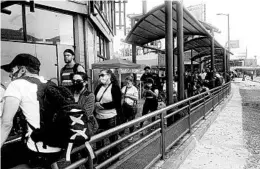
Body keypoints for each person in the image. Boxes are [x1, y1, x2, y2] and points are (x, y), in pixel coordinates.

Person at [1, 53, 62, 169]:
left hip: (37, 150)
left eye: (12, 69)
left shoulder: (16, 84)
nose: (10, 74)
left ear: (22, 69)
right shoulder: (49, 84)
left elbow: (6, 124)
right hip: (57, 147)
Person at [70, 72, 98, 167]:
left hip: (84, 129)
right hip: (71, 130)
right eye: (73, 81)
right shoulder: (69, 93)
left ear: (85, 82)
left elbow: (86, 113)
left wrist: (69, 113)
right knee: (73, 155)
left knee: (86, 152)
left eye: (78, 81)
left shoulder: (89, 95)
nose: (75, 83)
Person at [94, 69, 121, 161]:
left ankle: (114, 159)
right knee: (98, 139)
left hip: (110, 116)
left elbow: (117, 103)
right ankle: (101, 159)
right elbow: (95, 98)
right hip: (98, 117)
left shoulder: (115, 87)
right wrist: (96, 104)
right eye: (99, 75)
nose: (100, 77)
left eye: (102, 75)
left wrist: (103, 106)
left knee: (112, 138)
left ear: (109, 76)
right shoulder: (98, 87)